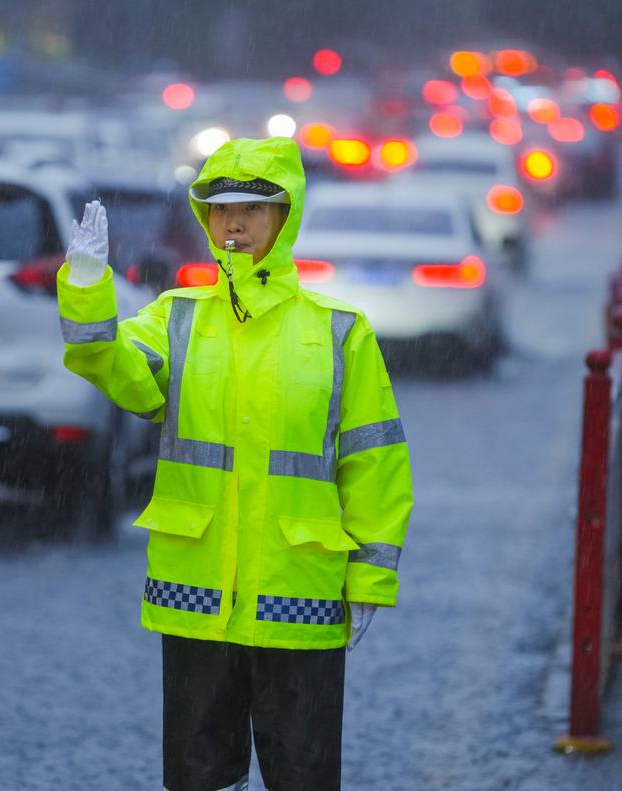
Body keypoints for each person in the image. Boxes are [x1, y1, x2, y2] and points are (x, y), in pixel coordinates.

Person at [56, 136, 412, 791]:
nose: (235, 223)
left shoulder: (339, 330)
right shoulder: (177, 320)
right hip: (198, 597)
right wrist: (87, 290)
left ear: (287, 216)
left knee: (302, 778)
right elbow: (117, 372)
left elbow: (374, 460)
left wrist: (368, 578)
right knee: (198, 779)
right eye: (220, 211)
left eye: (253, 208)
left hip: (299, 594)